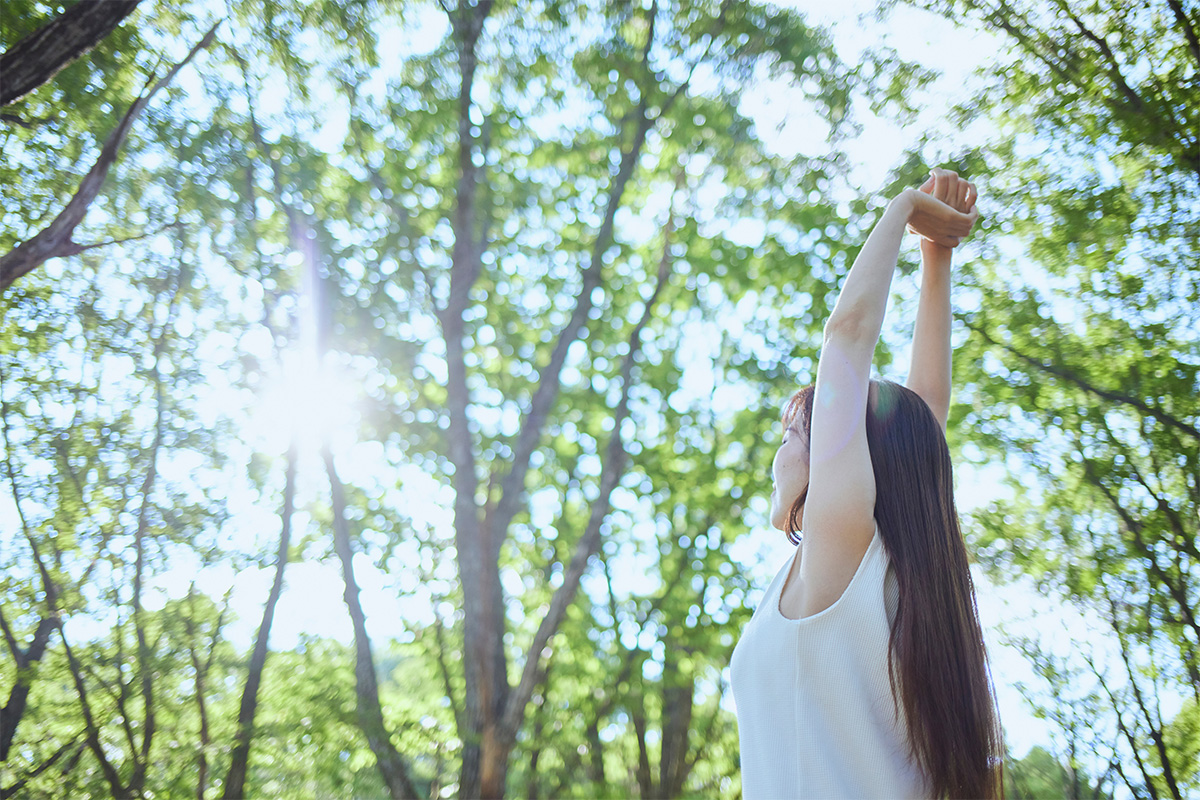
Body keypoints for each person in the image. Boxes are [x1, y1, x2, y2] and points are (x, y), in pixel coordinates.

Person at [730, 169, 1004, 799]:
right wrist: (937, 257)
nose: (780, 453)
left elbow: (848, 336)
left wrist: (907, 208)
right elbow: (924, 412)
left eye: (790, 436)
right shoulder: (880, 576)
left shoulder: (839, 555)